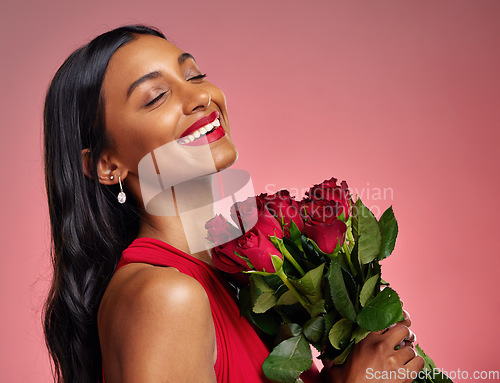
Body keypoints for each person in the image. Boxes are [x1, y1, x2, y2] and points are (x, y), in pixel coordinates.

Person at [43, 25, 424, 383]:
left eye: (194, 75)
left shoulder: (240, 279)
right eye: (157, 96)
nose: (200, 96)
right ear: (107, 165)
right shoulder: (166, 297)